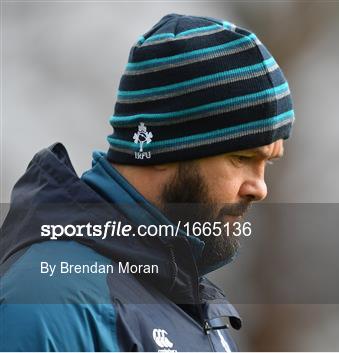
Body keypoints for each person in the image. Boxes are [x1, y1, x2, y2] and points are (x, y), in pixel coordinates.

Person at [0, 13, 294, 352]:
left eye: (267, 162)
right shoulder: (49, 301)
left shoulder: (188, 300)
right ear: (164, 151)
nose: (259, 188)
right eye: (241, 158)